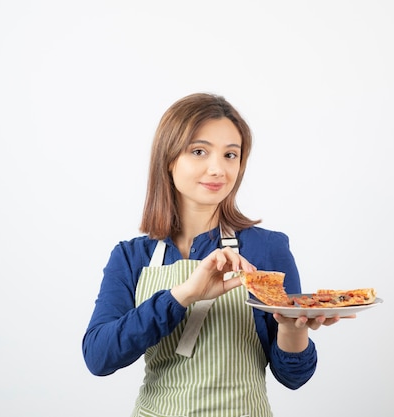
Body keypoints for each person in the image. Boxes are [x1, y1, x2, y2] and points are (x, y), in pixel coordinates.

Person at [82, 93, 348, 417]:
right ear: (169, 159)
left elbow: (294, 377)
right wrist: (184, 294)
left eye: (230, 155)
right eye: (199, 151)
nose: (218, 169)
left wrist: (293, 327)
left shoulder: (267, 249)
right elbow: (99, 357)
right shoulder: (131, 257)